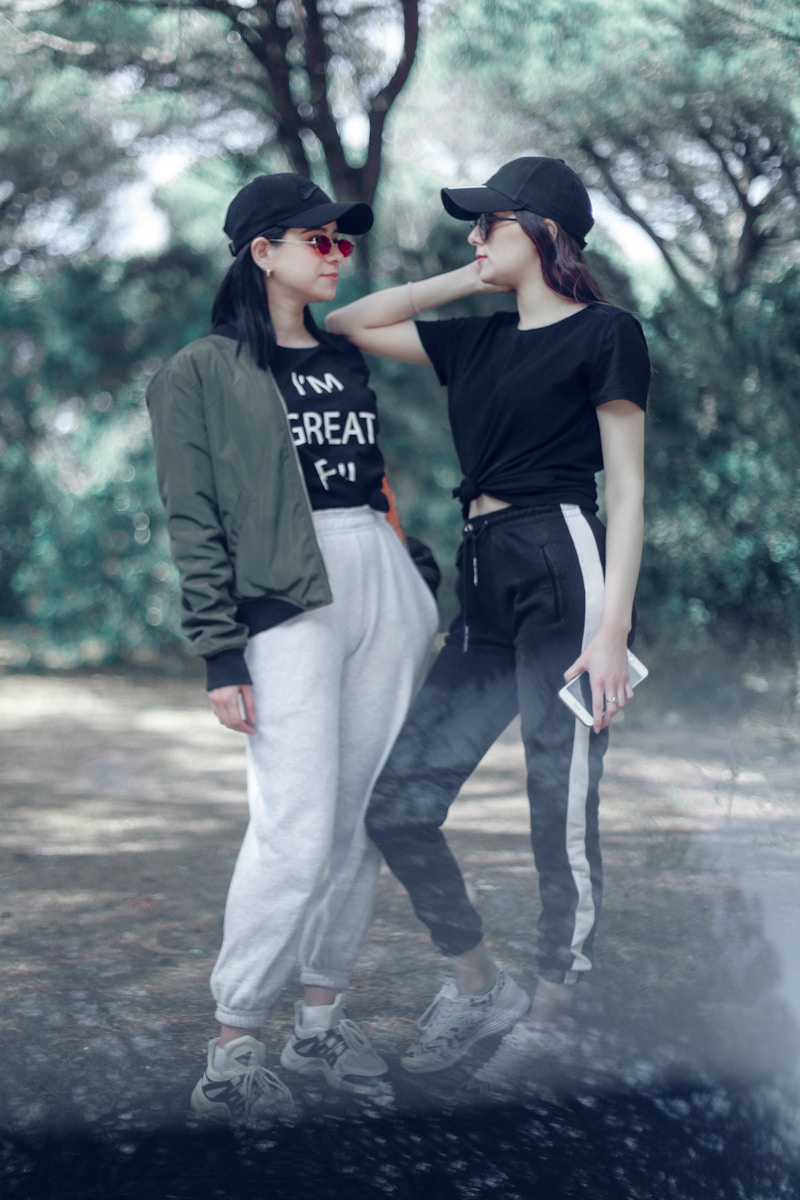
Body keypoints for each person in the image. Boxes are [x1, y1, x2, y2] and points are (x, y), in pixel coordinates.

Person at [326, 156, 649, 1093]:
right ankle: (479, 984)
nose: (472, 238)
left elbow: (625, 492)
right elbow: (350, 322)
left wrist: (611, 629)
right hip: (483, 577)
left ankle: (552, 1013)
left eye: (488, 224)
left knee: (561, 804)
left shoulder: (605, 332)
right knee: (400, 805)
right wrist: (470, 276)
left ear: (543, 231)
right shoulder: (476, 340)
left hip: (564, 566)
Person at [146, 173, 438, 1123]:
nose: (332, 253)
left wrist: (411, 568)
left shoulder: (347, 353)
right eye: (315, 240)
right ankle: (234, 1041)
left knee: (363, 820)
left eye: (340, 242)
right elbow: (193, 519)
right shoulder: (198, 371)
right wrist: (219, 651)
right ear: (260, 251)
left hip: (378, 576)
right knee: (295, 825)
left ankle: (320, 1021)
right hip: (287, 594)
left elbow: (372, 474)